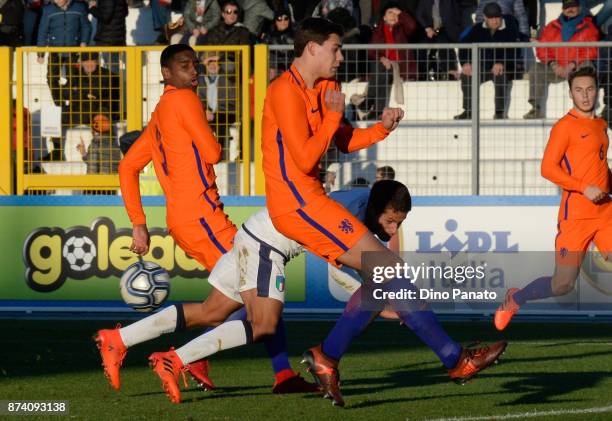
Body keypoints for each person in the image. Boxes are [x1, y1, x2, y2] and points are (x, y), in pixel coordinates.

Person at [261, 17, 507, 406]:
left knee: (384, 277)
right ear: (311, 49)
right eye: (335, 48)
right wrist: (329, 117)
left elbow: (340, 140)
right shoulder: (283, 91)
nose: (340, 57)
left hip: (312, 200)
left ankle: (328, 357)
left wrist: (380, 128)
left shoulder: (326, 87)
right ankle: (454, 359)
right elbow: (305, 155)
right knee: (389, 270)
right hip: (293, 204)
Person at [95, 44, 313, 395]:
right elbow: (213, 152)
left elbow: (127, 166)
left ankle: (276, 373)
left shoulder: (160, 115)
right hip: (202, 218)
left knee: (249, 297)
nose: (193, 71)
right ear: (167, 73)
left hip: (188, 219)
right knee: (258, 294)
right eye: (184, 66)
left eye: (194, 65)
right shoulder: (185, 101)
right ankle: (139, 344)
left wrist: (138, 222)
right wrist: (203, 127)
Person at [146, 180, 414, 404]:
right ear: (378, 208)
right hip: (267, 243)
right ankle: (176, 359)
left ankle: (132, 343)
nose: (392, 231)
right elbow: (339, 270)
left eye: (398, 224)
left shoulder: (362, 201)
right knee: (262, 323)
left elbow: (360, 262)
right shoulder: (350, 212)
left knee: (215, 311)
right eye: (391, 222)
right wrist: (378, 301)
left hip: (259, 235)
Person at [495, 66, 612, 330]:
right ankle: (517, 297)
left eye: (590, 89)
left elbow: (600, 166)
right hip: (576, 217)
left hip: (605, 213)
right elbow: (548, 168)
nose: (585, 95)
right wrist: (584, 187)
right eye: (579, 90)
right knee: (562, 285)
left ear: (597, 91)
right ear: (570, 93)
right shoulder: (564, 127)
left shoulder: (601, 125)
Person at [523, 0, 599, 119]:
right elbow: (542, 48)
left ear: (579, 8)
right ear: (563, 9)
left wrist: (573, 64)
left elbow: (592, 49)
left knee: (587, 66)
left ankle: (587, 108)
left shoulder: (589, 26)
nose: (570, 9)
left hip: (577, 68)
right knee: (536, 68)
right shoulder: (551, 26)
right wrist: (553, 64)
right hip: (556, 69)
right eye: (567, 7)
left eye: (573, 6)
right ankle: (535, 108)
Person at [454, 2, 524, 120]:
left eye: (497, 17)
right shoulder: (477, 29)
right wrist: (466, 63)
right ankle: (468, 111)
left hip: (504, 68)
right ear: (485, 18)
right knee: (466, 76)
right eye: (491, 18)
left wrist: (502, 63)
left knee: (500, 76)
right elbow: (464, 47)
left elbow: (515, 50)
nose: (495, 21)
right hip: (483, 68)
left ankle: (499, 112)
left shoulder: (510, 29)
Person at [351, 2, 418, 120]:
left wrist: (401, 13)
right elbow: (372, 51)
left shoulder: (402, 29)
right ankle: (377, 110)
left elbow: (412, 26)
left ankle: (369, 101)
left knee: (380, 68)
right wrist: (382, 58)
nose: (393, 15)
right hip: (383, 67)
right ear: (384, 17)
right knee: (382, 71)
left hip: (400, 66)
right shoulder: (378, 31)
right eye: (390, 12)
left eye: (396, 13)